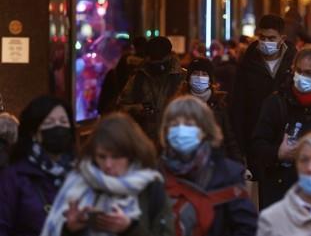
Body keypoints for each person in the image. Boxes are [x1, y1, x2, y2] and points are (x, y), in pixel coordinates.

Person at [40, 113, 173, 236]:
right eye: (102, 157)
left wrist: (129, 228)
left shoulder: (150, 186)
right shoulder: (79, 181)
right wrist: (70, 229)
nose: (108, 164)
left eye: (116, 157)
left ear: (131, 155)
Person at [252, 45, 311, 209]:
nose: (301, 77)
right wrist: (278, 153)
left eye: (309, 73)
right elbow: (257, 144)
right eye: (298, 71)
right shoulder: (276, 103)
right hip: (279, 194)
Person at [160, 95, 257, 236]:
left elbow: (247, 228)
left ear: (204, 130)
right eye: (174, 124)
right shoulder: (156, 175)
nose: (181, 130)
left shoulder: (228, 174)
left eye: (188, 124)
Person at [231, 15, 296, 177]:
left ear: (282, 38)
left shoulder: (294, 62)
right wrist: (240, 149)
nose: (266, 42)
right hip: (255, 140)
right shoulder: (247, 64)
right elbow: (237, 107)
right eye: (262, 37)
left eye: (271, 38)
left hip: (287, 141)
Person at [0, 96, 76, 236]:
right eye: (50, 122)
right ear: (34, 133)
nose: (58, 127)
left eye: (63, 121)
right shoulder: (14, 177)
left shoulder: (81, 173)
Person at [118, 36, 185, 145]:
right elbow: (121, 107)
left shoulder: (181, 78)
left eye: (161, 61)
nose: (157, 65)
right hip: (144, 142)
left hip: (175, 142)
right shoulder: (138, 78)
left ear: (169, 56)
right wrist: (137, 109)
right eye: (154, 61)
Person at [177, 58, 243, 163]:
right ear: (188, 78)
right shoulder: (179, 105)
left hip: (215, 164)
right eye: (195, 73)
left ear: (210, 80)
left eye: (204, 74)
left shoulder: (219, 106)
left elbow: (230, 140)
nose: (199, 77)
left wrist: (240, 165)